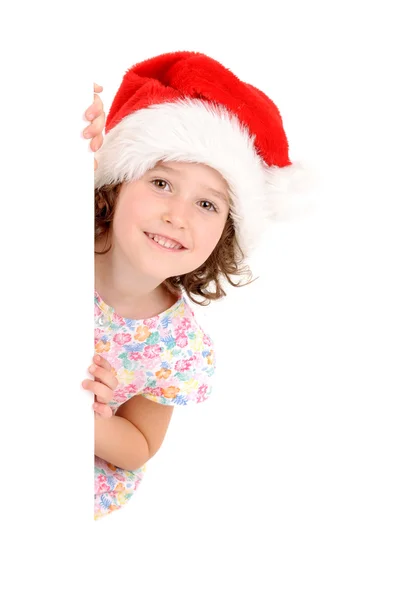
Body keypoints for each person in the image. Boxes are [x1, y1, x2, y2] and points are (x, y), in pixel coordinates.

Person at [81, 51, 305, 520]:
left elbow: (138, 446)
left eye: (207, 205)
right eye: (162, 183)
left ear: (225, 233)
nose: (177, 215)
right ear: (116, 183)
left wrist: (86, 419)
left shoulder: (175, 346)